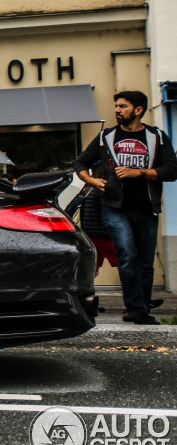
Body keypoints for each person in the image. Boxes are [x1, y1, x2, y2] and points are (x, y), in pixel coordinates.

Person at [74, 91, 177, 325]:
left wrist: (138, 172)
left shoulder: (157, 138)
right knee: (127, 255)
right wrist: (90, 180)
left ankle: (139, 310)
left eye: (123, 106)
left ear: (138, 110)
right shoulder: (106, 137)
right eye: (117, 106)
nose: (117, 110)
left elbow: (171, 170)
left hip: (147, 209)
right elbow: (81, 162)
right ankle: (137, 309)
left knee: (145, 262)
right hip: (114, 208)